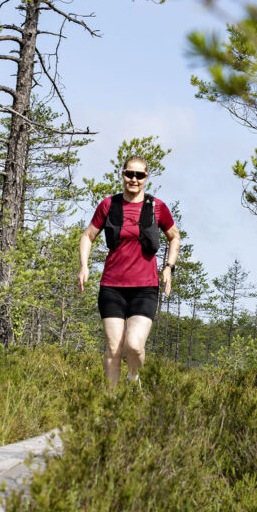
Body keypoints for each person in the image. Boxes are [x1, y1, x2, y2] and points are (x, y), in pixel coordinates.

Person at [78, 156, 181, 387]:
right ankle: (111, 401)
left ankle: (134, 377)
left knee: (134, 346)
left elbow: (174, 236)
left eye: (139, 175)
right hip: (112, 287)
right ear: (123, 174)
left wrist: (169, 266)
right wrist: (84, 265)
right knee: (114, 348)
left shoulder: (157, 207)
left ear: (146, 178)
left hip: (145, 288)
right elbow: (88, 236)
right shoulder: (108, 205)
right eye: (129, 174)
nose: (134, 179)